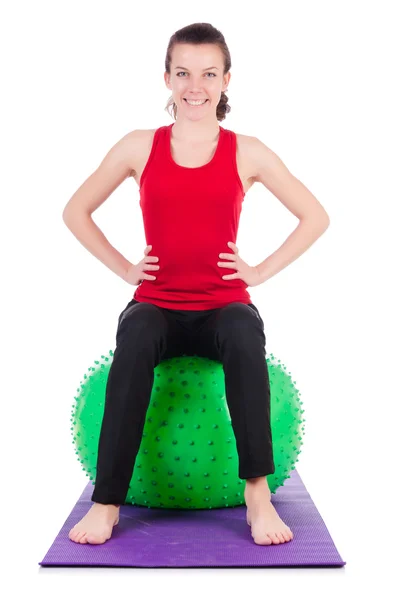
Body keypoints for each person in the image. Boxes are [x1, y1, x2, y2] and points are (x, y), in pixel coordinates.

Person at [63, 23, 330, 547]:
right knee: (135, 333)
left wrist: (257, 272)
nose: (195, 85)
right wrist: (125, 268)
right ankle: (107, 501)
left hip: (223, 305)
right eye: (183, 72)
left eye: (208, 74)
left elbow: (315, 216)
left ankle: (257, 494)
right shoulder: (139, 146)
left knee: (243, 333)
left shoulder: (246, 150)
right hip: (156, 305)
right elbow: (75, 211)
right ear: (166, 78)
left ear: (226, 80)